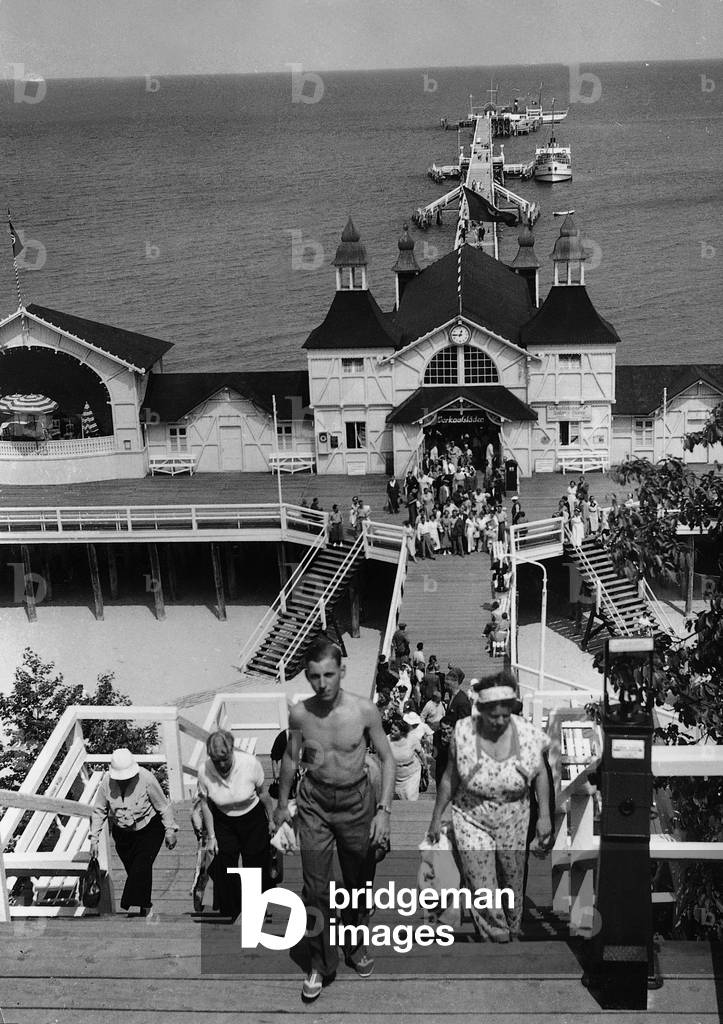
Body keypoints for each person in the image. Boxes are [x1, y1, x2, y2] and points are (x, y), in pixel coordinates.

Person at [273, 639, 395, 1002]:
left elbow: (387, 759)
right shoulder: (300, 714)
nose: (322, 684)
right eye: (314, 677)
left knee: (357, 884)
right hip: (314, 804)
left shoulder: (364, 710)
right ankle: (320, 962)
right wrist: (282, 805)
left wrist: (384, 812)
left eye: (329, 674)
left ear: (342, 671)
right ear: (307, 676)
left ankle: (354, 946)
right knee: (314, 889)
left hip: (357, 801)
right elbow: (292, 761)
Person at [427, 673, 552, 942]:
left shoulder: (526, 733)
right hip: (470, 815)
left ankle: (513, 925)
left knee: (512, 879)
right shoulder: (462, 732)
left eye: (504, 714)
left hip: (514, 816)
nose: (498, 721)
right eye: (491, 715)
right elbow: (450, 777)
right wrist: (436, 816)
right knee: (480, 880)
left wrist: (545, 817)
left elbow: (540, 773)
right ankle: (495, 934)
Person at [196, 729, 274, 921]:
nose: (221, 765)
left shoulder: (250, 763)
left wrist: (271, 820)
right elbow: (205, 804)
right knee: (224, 862)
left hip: (252, 816)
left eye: (225, 759)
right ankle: (232, 908)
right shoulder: (204, 770)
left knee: (255, 864)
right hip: (223, 819)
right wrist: (211, 836)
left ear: (232, 751)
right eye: (216, 760)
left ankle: (257, 907)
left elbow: (263, 794)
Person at [89, 748, 177, 917]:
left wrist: (170, 830)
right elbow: (99, 811)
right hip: (123, 833)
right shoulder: (106, 783)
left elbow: (163, 806)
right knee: (135, 870)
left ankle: (129, 901)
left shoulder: (146, 778)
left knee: (142, 865)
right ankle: (146, 905)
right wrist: (94, 839)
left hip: (149, 828)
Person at [384, 713, 427, 800]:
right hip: (395, 775)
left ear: (402, 732)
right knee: (396, 800)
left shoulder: (412, 739)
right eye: (391, 729)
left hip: (411, 775)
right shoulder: (386, 739)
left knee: (410, 798)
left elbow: (420, 753)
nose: (392, 731)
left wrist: (425, 765)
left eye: (395, 730)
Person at [432, 715, 454, 787]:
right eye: (443, 729)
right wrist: (443, 744)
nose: (446, 731)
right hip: (441, 767)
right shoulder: (436, 735)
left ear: (453, 727)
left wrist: (450, 744)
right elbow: (435, 755)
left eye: (448, 728)